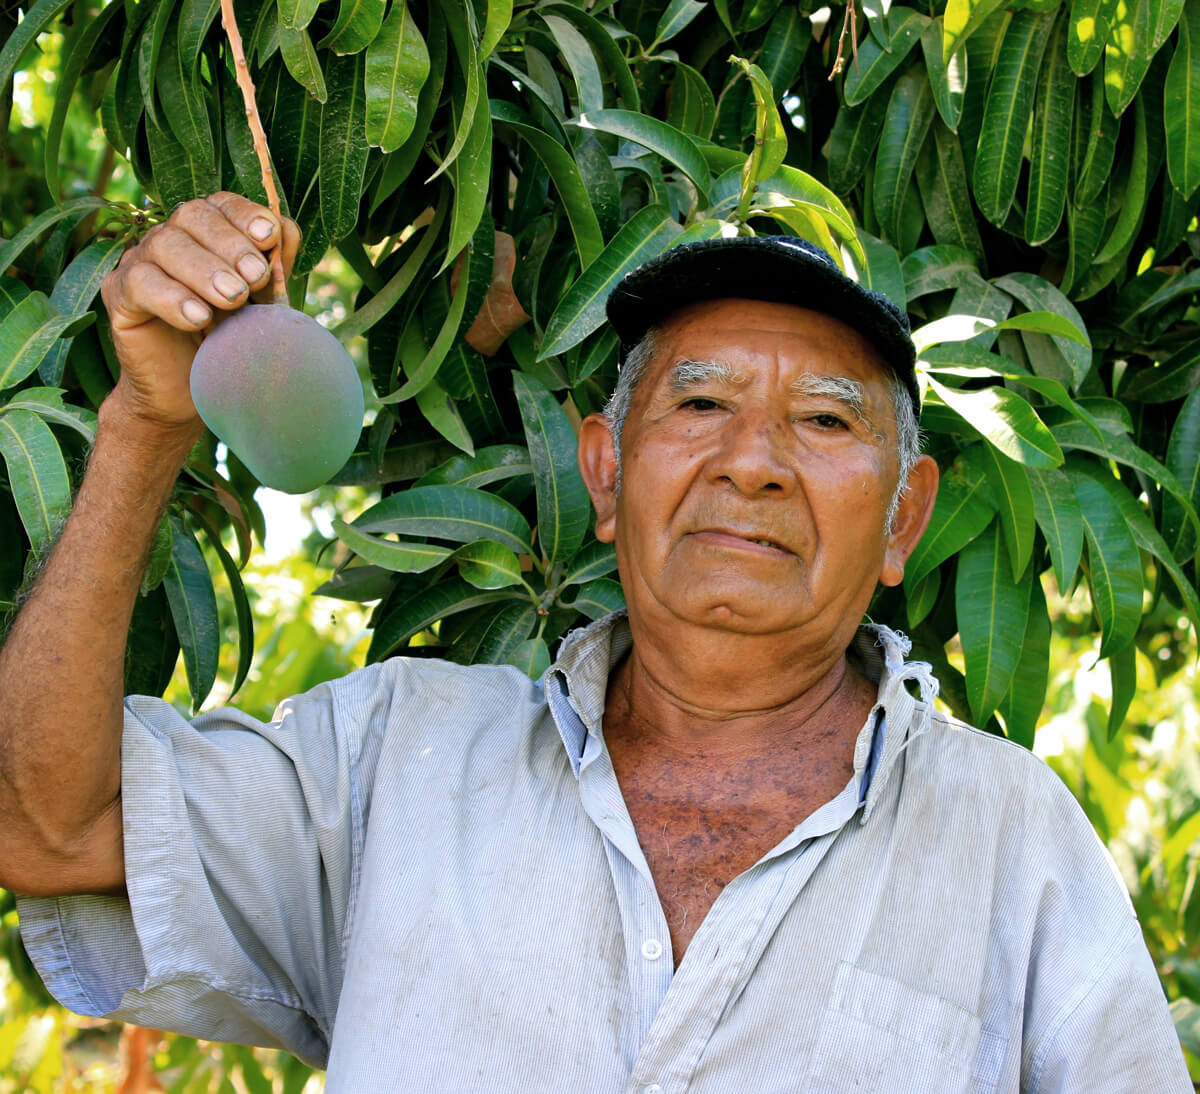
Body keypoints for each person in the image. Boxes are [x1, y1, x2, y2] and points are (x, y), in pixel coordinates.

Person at [0, 193, 1190, 1093]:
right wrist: (147, 420)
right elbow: (41, 822)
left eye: (825, 421)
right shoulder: (394, 762)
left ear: (905, 518)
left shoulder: (1011, 837)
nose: (754, 460)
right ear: (605, 475)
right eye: (701, 403)